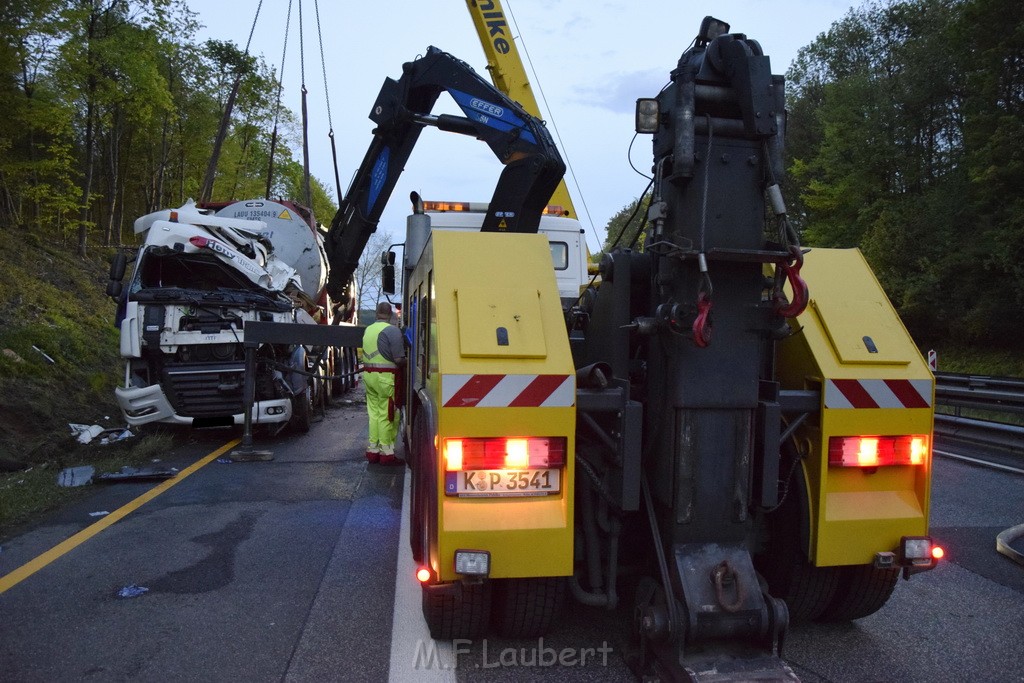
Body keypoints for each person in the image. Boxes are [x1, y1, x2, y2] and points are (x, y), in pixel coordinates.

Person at [361, 301, 407, 465]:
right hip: (385, 378)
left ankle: (373, 450)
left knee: (373, 414)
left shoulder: (368, 329)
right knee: (387, 414)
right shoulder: (392, 331)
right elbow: (398, 359)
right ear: (391, 315)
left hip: (368, 376)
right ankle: (387, 454)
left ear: (376, 314)